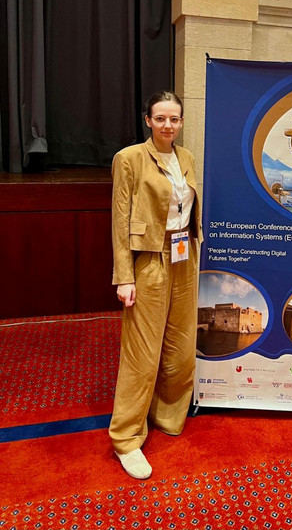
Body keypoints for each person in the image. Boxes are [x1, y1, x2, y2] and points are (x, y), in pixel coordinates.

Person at [109, 91, 203, 480]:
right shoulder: (129, 158)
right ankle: (126, 437)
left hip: (184, 257)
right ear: (148, 120)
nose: (168, 125)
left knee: (181, 346)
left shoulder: (187, 158)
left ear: (181, 123)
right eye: (161, 118)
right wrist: (124, 275)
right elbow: (119, 217)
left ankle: (167, 413)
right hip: (148, 259)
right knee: (142, 352)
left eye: (175, 119)